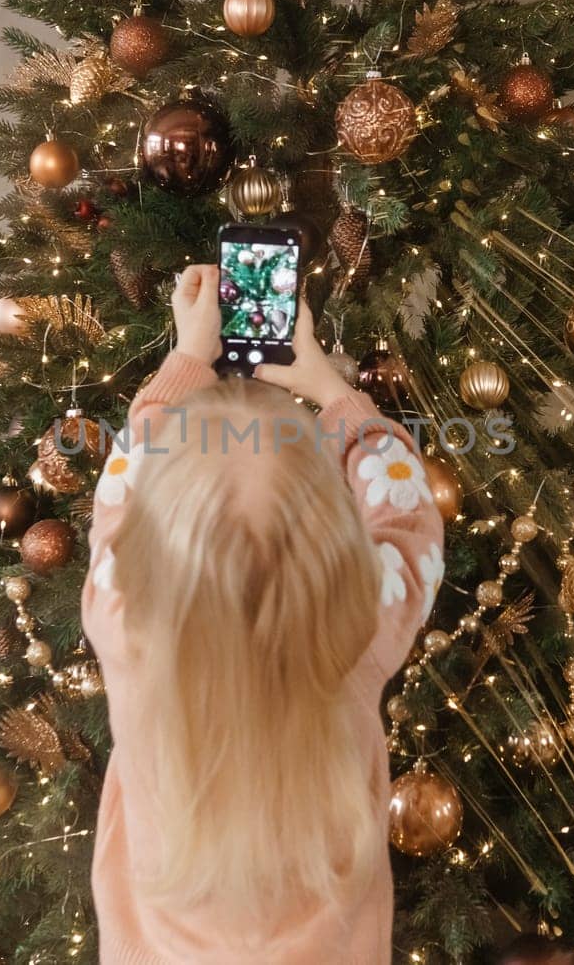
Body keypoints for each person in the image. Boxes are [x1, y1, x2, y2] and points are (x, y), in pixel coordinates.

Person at [82, 264, 446, 964]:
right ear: (336, 546)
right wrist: (331, 392)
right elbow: (410, 515)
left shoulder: (123, 610)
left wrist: (188, 359)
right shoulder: (364, 619)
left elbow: (120, 492)